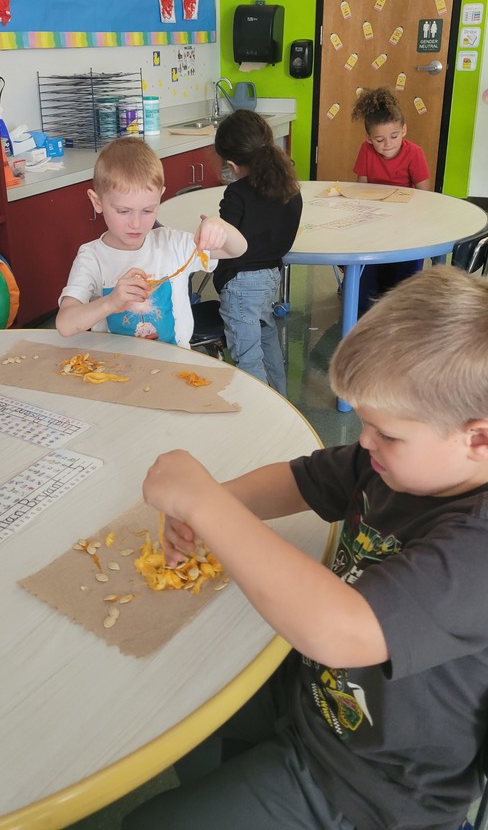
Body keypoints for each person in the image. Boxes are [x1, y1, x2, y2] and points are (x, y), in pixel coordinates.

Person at [124, 265, 488, 830]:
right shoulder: (394, 467)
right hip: (315, 700)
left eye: (387, 433)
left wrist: (207, 506)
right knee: (184, 709)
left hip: (373, 787)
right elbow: (305, 478)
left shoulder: (479, 544)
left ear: (479, 437)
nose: (363, 441)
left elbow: (342, 629)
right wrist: (221, 504)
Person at [56, 137, 247, 346]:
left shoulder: (173, 243)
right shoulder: (92, 257)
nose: (136, 223)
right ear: (97, 202)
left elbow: (237, 249)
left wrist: (221, 228)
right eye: (123, 211)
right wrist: (111, 302)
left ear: (160, 197)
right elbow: (65, 324)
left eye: (148, 210)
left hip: (173, 366)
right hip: (116, 370)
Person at [211, 110, 302, 396]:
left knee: (247, 356)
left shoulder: (236, 194)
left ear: (232, 164)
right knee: (266, 337)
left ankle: (261, 415)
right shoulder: (290, 188)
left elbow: (227, 245)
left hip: (241, 285)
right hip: (269, 279)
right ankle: (281, 401)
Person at [351, 86, 431, 311]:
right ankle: (365, 291)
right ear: (368, 138)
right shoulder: (366, 151)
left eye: (394, 136)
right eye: (379, 139)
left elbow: (424, 193)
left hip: (404, 218)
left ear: (404, 130)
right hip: (375, 215)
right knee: (362, 253)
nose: (387, 144)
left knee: (404, 267)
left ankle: (397, 295)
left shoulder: (414, 153)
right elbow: (361, 186)